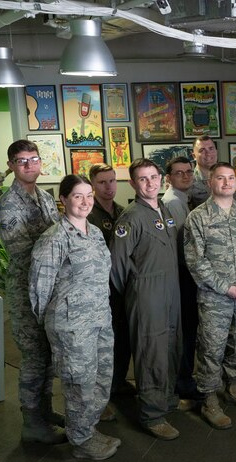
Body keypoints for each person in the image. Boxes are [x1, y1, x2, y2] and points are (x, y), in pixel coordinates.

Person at [29, 175, 119, 460]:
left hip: (100, 320)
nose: (85, 201)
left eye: (88, 195)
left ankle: (88, 429)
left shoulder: (93, 232)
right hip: (71, 326)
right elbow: (39, 287)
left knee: (101, 379)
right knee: (79, 383)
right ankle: (80, 440)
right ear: (64, 200)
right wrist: (53, 323)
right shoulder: (54, 238)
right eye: (77, 196)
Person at [184, 162, 236, 430]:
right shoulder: (198, 217)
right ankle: (208, 398)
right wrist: (224, 287)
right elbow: (196, 260)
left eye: (231, 178)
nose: (227, 183)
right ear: (210, 183)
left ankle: (233, 385)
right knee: (212, 348)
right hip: (215, 296)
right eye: (221, 178)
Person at [0, 140, 63, 444]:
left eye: (33, 159)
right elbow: (25, 254)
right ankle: (31, 422)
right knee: (34, 357)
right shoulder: (8, 205)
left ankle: (45, 410)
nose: (28, 165)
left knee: (47, 353)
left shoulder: (46, 198)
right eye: (21, 161)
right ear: (10, 165)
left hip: (48, 290)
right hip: (26, 293)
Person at [109, 158, 183, 440]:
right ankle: (152, 415)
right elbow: (116, 267)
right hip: (146, 293)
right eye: (143, 179)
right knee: (151, 351)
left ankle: (165, 399)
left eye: (153, 177)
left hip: (170, 288)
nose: (150, 183)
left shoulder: (163, 209)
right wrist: (136, 292)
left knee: (171, 344)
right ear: (133, 183)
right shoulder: (131, 217)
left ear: (162, 178)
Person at [87, 163, 134, 398]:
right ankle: (100, 393)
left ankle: (118, 382)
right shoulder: (88, 215)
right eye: (102, 182)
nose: (109, 187)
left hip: (122, 287)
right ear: (93, 185)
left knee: (122, 337)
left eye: (112, 181)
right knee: (102, 343)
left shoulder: (123, 211)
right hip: (99, 290)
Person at [163, 156, 203, 401]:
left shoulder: (182, 200)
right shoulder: (173, 203)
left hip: (185, 273)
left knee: (188, 330)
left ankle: (184, 377)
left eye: (188, 172)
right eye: (179, 173)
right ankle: (183, 381)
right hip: (182, 273)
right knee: (185, 330)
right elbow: (184, 245)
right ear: (169, 178)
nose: (186, 176)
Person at [186, 136, 218, 208]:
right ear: (194, 156)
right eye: (202, 150)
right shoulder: (187, 181)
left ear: (216, 151)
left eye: (211, 148)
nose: (208, 153)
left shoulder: (228, 178)